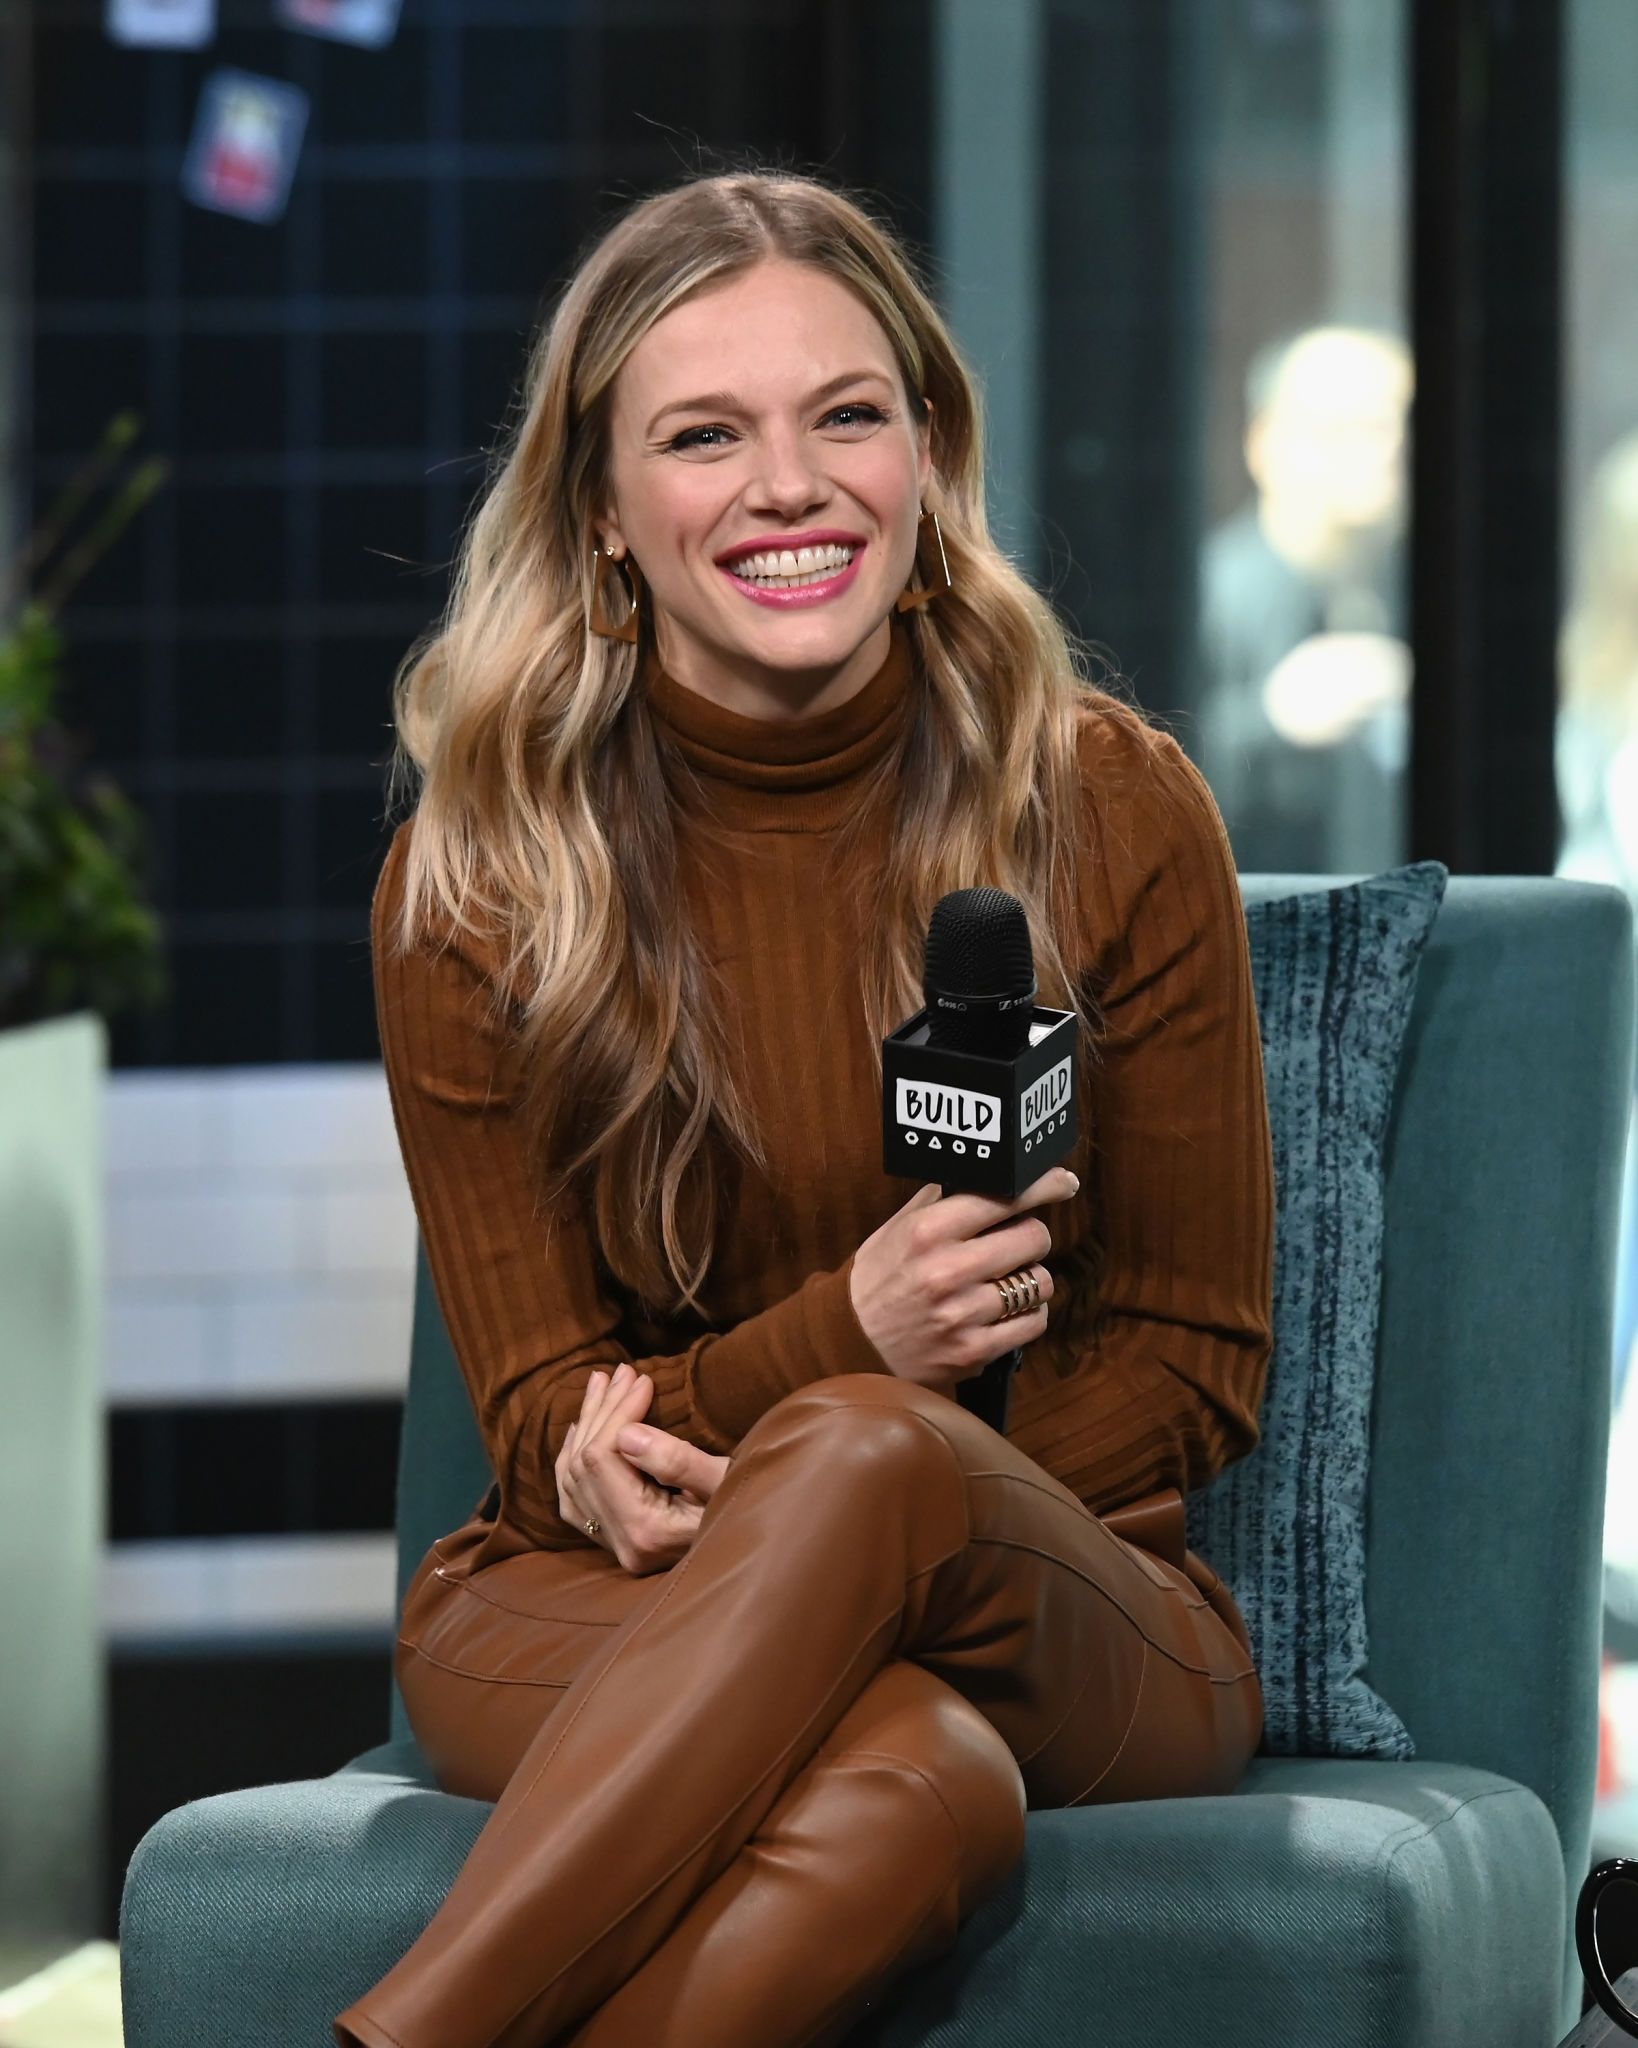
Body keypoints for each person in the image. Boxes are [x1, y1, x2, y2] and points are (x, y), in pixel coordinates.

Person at [333, 167, 1275, 2048]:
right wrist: (830, 1367)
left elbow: (1190, 1364)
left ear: (925, 454)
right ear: (602, 511)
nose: (789, 485)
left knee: (865, 1455)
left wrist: (839, 1451)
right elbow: (539, 1426)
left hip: (1078, 1597)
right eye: (703, 436)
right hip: (600, 1589)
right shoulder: (482, 878)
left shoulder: (1110, 805)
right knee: (900, 1783)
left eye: (846, 414)